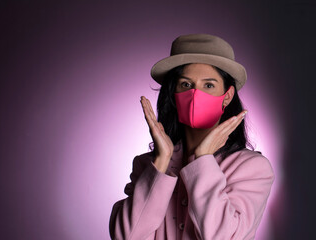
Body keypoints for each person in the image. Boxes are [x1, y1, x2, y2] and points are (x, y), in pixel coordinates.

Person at [109, 34, 274, 240]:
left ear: (228, 96)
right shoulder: (147, 165)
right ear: (173, 94)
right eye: (186, 85)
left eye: (209, 85)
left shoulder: (251, 167)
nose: (196, 95)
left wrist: (203, 159)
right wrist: (161, 162)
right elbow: (127, 237)